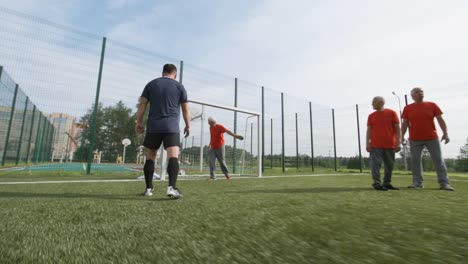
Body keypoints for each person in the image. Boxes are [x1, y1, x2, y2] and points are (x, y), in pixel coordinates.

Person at [135, 63, 190, 198]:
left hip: (154, 126)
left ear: (163, 73)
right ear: (175, 75)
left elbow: (142, 104)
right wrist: (188, 125)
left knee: (150, 157)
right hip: (171, 127)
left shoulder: (151, 84)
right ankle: (171, 188)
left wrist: (139, 122)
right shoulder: (179, 86)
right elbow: (185, 109)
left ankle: (148, 189)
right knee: (173, 156)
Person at [401, 87, 454, 191]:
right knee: (416, 161)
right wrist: (401, 136)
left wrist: (445, 133)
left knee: (438, 160)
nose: (420, 93)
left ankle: (444, 183)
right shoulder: (408, 108)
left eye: (421, 91)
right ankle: (417, 183)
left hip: (432, 138)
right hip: (415, 139)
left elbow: (440, 120)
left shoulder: (432, 105)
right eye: (417, 92)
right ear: (412, 96)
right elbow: (405, 123)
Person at [366, 96, 401, 191]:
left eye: (374, 102)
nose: (372, 104)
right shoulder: (371, 116)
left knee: (389, 165)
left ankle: (387, 183)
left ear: (381, 102)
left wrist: (398, 142)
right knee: (375, 165)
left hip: (390, 144)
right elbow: (368, 131)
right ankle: (377, 183)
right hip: (375, 145)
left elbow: (398, 129)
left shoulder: (392, 113)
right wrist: (367, 143)